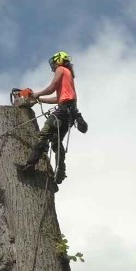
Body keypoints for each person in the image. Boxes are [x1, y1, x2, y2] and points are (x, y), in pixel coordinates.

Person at [20, 51, 86, 182]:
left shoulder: (61, 69)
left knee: (43, 135)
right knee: (56, 141)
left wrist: (36, 95)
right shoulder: (69, 76)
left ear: (60, 61)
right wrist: (41, 99)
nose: (54, 65)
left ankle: (30, 165)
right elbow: (58, 98)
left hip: (62, 111)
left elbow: (52, 87)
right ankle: (60, 172)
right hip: (70, 114)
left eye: (55, 62)